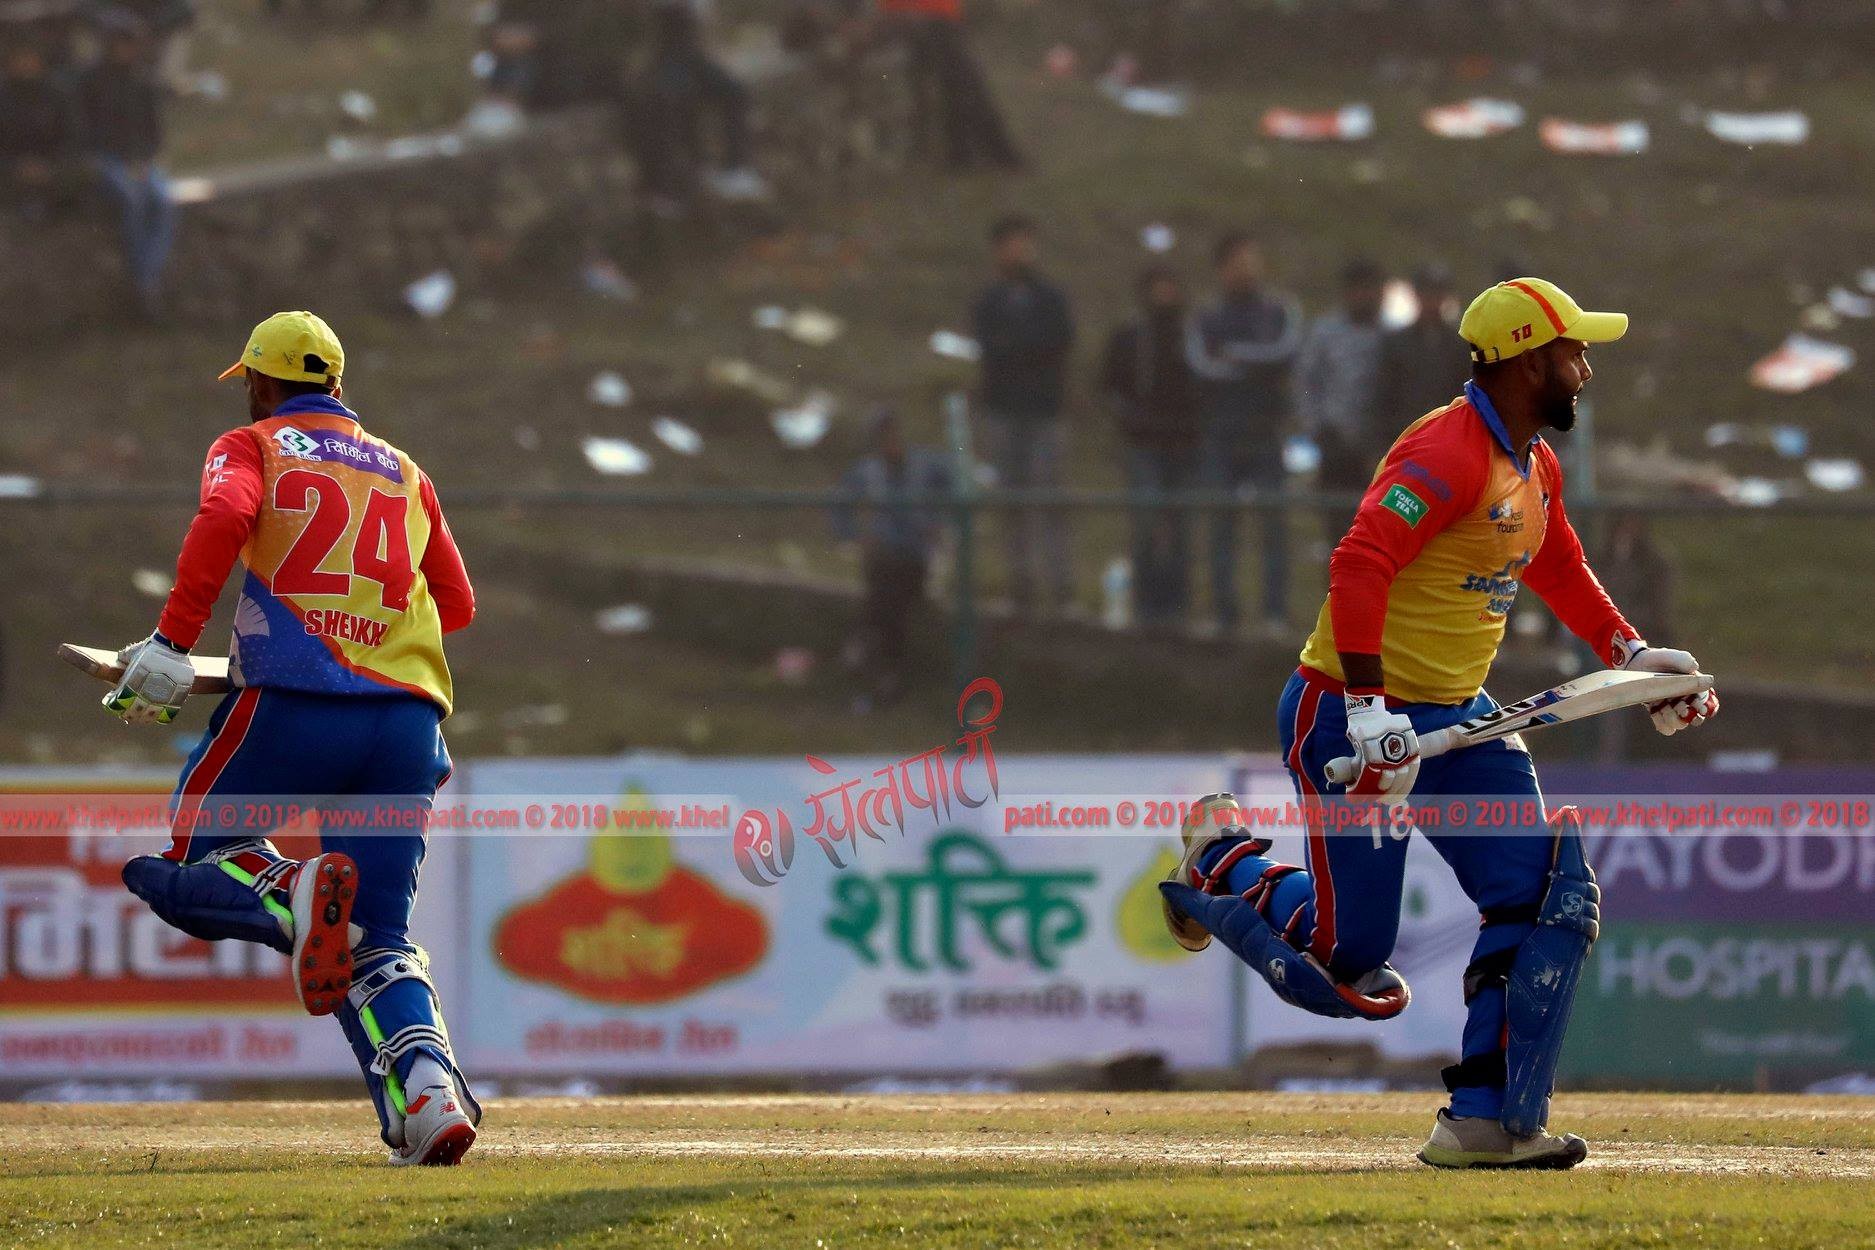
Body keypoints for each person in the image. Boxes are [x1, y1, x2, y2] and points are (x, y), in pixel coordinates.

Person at [1160, 279, 1720, 1169]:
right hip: (1349, 715)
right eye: (1575, 353)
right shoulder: (1448, 451)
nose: (1585, 369)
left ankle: (1482, 1125)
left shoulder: (1534, 462)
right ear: (1530, 360)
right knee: (1350, 967)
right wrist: (1367, 707)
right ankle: (1219, 857)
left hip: (1459, 723)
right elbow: (1358, 562)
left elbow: (1560, 564)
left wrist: (1631, 654)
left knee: (1542, 899)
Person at [113, 312, 483, 1166]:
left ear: (258, 382)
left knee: (197, 857)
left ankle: (286, 895)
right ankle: (425, 1096)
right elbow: (455, 606)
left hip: (293, 701)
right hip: (406, 722)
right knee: (373, 938)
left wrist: (172, 641)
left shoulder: (252, 445)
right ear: (339, 386)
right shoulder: (405, 470)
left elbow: (222, 519)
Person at [1186, 232, 1303, 637]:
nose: (1246, 269)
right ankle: (1224, 614)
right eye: (1237, 262)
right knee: (1222, 526)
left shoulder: (1279, 311)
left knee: (1273, 525)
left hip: (1266, 431)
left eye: (1252, 260)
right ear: (1222, 269)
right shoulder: (1206, 317)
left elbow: (1285, 353)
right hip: (1221, 432)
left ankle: (1274, 613)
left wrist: (1235, 356)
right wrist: (1255, 364)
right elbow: (1201, 365)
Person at [973, 214, 1076, 615]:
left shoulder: (1051, 298)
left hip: (1045, 411)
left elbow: (1058, 341)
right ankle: (1021, 585)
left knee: (1049, 495)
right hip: (1003, 410)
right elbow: (991, 346)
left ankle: (1062, 587)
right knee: (1011, 498)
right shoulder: (989, 301)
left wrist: (1020, 347)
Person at [830, 408, 952, 707]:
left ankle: (866, 648)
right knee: (888, 596)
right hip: (885, 554)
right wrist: (852, 538)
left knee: (890, 599)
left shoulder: (923, 465)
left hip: (915, 553)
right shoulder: (869, 471)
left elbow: (955, 488)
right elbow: (841, 501)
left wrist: (940, 523)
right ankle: (887, 671)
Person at [1101, 264, 1200, 625]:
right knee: (1145, 521)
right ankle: (1146, 605)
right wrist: (1129, 419)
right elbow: (1110, 383)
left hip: (1182, 442)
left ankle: (1177, 607)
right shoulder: (1130, 335)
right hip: (1143, 441)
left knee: (1180, 527)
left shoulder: (1191, 335)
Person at [77, 11, 176, 315]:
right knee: (131, 200)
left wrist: (143, 160)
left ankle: (147, 277)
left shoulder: (142, 82)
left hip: (140, 161)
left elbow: (153, 132)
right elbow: (87, 132)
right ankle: (143, 283)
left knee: (163, 201)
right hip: (107, 161)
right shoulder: (90, 83)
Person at [626, 0, 768, 207]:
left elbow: (705, 22)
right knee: (671, 100)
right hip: (668, 53)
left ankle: (735, 169)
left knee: (735, 92)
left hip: (692, 53)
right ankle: (667, 187)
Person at [1295, 256, 1388, 540]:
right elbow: (1306, 382)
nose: (1364, 296)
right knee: (1337, 530)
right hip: (1335, 444)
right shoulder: (1325, 333)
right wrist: (1316, 427)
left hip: (1380, 447)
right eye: (1358, 288)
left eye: (1370, 288)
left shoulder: (1392, 335)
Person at [878, 0, 1021, 171]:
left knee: (958, 86)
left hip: (938, 18)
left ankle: (965, 155)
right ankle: (995, 153)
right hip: (926, 19)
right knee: (966, 84)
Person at [0, 38, 82, 222]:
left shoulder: (58, 94)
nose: (25, 64)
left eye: (30, 58)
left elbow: (73, 137)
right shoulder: (4, 97)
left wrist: (49, 166)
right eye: (19, 59)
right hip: (11, 168)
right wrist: (17, 166)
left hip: (53, 166)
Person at [1378, 262, 1464, 431]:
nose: (1432, 300)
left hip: (1447, 434)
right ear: (1416, 295)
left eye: (1437, 293)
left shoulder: (1459, 344)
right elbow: (1383, 397)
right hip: (1404, 434)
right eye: (1427, 292)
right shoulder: (1396, 343)